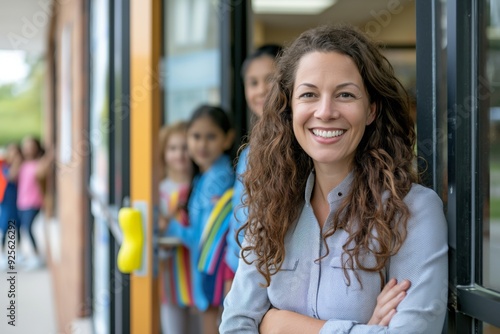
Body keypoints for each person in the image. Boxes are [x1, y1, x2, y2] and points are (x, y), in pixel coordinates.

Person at [220, 25, 448, 333]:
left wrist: (278, 323)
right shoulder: (270, 204)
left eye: (345, 94)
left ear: (371, 110)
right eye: (309, 94)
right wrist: (363, 328)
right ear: (290, 109)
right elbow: (235, 324)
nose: (325, 112)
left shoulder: (412, 210)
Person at [167, 105, 235, 334]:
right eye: (196, 136)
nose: (202, 144)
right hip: (210, 269)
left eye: (211, 136)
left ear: (228, 140)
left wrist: (169, 225)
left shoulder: (218, 180)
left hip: (214, 270)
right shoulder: (206, 177)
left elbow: (201, 237)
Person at [224, 44, 282, 284]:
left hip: (268, 272)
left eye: (270, 79)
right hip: (237, 264)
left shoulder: (298, 143)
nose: (261, 90)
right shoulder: (249, 148)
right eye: (253, 82)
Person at [157, 121, 199, 334]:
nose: (179, 154)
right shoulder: (158, 192)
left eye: (184, 147)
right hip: (171, 279)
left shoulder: (201, 187)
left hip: (199, 278)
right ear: (164, 152)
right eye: (173, 148)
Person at [17, 136, 53, 270]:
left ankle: (37, 256)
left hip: (34, 202)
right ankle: (31, 255)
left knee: (28, 228)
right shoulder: (22, 163)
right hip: (22, 202)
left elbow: (46, 167)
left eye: (30, 146)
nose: (27, 149)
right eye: (25, 146)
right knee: (24, 228)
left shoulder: (40, 163)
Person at [0, 143, 23, 270]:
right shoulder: (4, 166)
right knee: (4, 228)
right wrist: (16, 162)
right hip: (6, 201)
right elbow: (10, 177)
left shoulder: (21, 165)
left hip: (17, 201)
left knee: (16, 227)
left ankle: (16, 253)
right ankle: (3, 254)